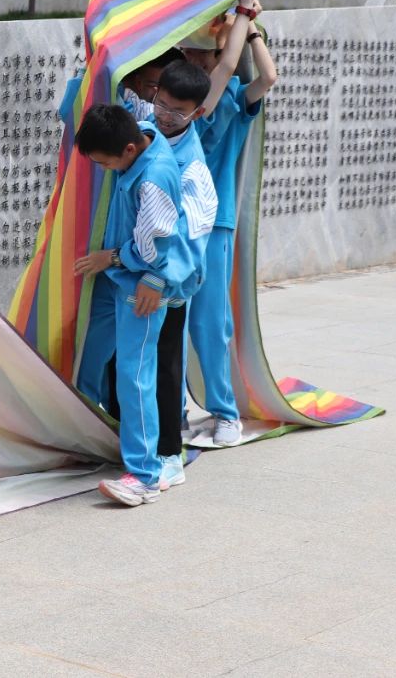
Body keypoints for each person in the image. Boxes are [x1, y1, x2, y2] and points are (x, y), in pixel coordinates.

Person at [72, 104, 191, 507]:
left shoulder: (155, 178)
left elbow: (157, 246)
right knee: (88, 353)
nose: (104, 170)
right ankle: (84, 436)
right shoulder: (140, 133)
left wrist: (145, 274)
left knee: (134, 374)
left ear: (127, 150)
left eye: (105, 164)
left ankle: (145, 475)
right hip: (118, 277)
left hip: (142, 285)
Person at [179, 0, 276, 446]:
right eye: (188, 52)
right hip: (175, 225)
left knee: (210, 322)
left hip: (214, 224)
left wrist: (248, 22)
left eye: (203, 52)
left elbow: (266, 76)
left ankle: (224, 413)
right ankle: (174, 411)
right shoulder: (180, 105)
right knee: (172, 323)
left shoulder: (229, 96)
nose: (194, 59)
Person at [143, 61, 217, 488]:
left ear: (197, 113)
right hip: (133, 275)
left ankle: (171, 452)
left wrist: (161, 278)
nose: (165, 116)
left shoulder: (192, 166)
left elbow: (192, 234)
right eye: (161, 104)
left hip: (168, 284)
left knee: (166, 365)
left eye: (177, 112)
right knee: (132, 364)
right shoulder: (144, 130)